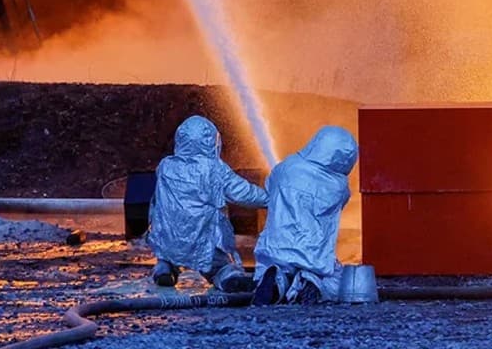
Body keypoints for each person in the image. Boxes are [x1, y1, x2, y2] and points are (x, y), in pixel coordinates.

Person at [145, 115, 268, 291]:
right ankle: (228, 279)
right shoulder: (214, 169)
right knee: (220, 266)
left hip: (169, 236)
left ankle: (164, 270)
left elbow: (156, 202)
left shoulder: (166, 166)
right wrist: (270, 199)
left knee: (167, 254)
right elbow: (243, 193)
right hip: (202, 235)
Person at [253, 125, 358, 304]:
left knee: (270, 267)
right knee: (340, 282)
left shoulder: (284, 167)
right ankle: (308, 281)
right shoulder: (339, 187)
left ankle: (278, 278)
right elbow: (343, 202)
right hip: (313, 256)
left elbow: (269, 188)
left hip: (275, 251)